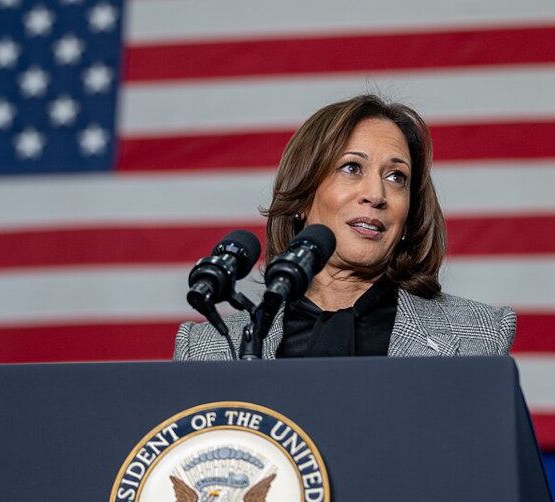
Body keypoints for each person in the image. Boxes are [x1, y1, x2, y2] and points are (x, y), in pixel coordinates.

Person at [174, 94, 515, 360]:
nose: (376, 195)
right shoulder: (209, 348)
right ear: (303, 197)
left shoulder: (475, 336)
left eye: (396, 177)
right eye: (352, 168)